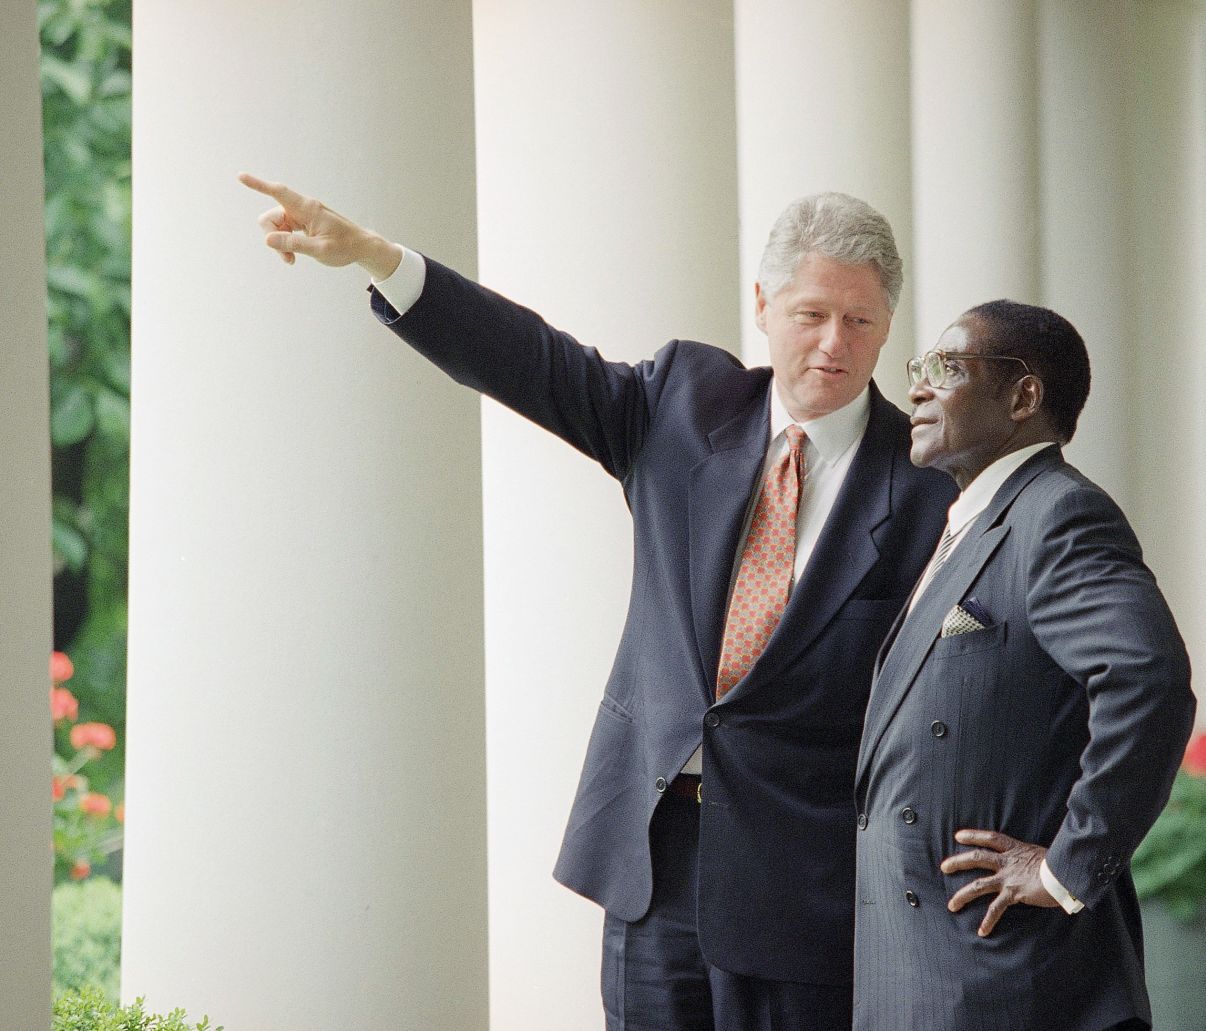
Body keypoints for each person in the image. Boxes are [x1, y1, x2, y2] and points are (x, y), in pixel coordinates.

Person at [240, 174, 953, 1030]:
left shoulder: (924, 489)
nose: (834, 343)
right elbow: (533, 360)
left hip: (808, 887)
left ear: (885, 331)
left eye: (861, 321)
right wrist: (377, 258)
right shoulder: (685, 404)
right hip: (652, 862)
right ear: (762, 304)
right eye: (812, 313)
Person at [852, 300, 1195, 1031]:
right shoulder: (973, 522)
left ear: (1023, 396)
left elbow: (1148, 680)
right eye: (921, 370)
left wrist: (1066, 866)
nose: (917, 389)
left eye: (947, 368)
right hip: (927, 972)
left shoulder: (1058, 514)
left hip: (1006, 985)